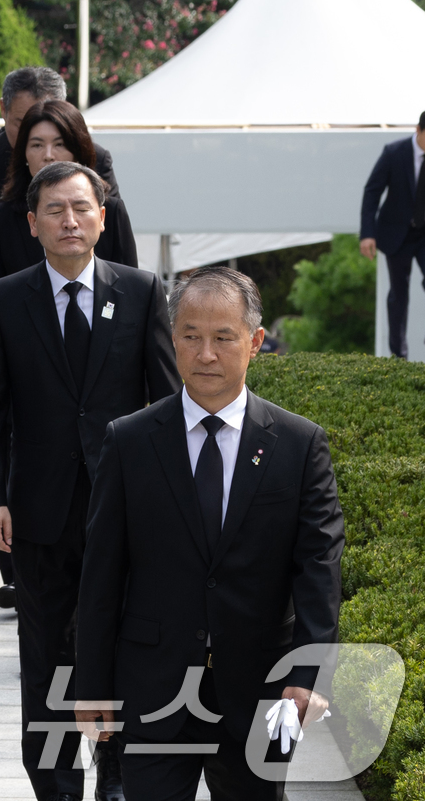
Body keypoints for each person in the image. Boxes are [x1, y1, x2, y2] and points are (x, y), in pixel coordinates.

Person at [76, 267, 344, 800]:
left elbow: (318, 568)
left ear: (255, 342)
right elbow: (102, 572)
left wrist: (308, 674)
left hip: (259, 686)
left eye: (224, 338)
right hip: (154, 687)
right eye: (191, 336)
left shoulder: (298, 444)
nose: (206, 354)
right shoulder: (130, 441)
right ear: (172, 339)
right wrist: (91, 685)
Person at [0, 161, 178, 801]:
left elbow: (166, 401)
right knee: (46, 656)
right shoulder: (5, 299)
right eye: (54, 210)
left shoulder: (141, 293)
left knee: (119, 648)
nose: (69, 220)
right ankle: (56, 785)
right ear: (32, 224)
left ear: (102, 218)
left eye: (81, 208)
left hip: (127, 510)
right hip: (40, 512)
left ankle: (115, 776)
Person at [0, 67, 121, 413]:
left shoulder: (96, 161)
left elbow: (117, 256)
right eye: (25, 127)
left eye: (58, 137)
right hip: (13, 327)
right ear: (4, 111)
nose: (45, 150)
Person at [0, 100, 137, 312]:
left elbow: (130, 292)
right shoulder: (1, 218)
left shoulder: (112, 211)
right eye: (37, 145)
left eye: (60, 144)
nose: (48, 155)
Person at [359, 112, 425, 357]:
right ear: (418, 129)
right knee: (399, 294)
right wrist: (368, 233)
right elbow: (372, 192)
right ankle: (399, 355)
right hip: (397, 233)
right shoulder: (394, 153)